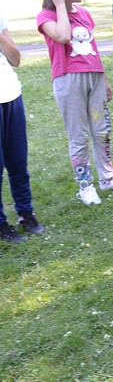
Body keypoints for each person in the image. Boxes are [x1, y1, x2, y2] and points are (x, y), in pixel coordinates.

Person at [37, 0, 113, 205]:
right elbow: (64, 37)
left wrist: (104, 78)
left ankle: (107, 177)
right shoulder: (46, 17)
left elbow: (93, 49)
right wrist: (59, 5)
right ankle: (85, 186)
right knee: (79, 135)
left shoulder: (85, 14)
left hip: (94, 77)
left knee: (102, 130)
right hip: (68, 79)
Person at [0, 14, 45, 243]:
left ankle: (26, 214)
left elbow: (15, 59)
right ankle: (0, 224)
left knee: (18, 161)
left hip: (10, 95)